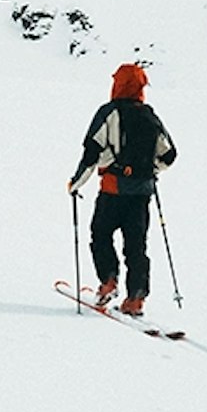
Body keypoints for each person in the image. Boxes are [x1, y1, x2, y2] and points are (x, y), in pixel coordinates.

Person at [68, 62, 177, 316]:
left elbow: (91, 153)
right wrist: (151, 171)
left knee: (100, 234)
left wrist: (76, 183)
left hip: (113, 190)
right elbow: (169, 155)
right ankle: (136, 298)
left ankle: (109, 282)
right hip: (142, 193)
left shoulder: (108, 112)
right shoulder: (150, 115)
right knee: (136, 246)